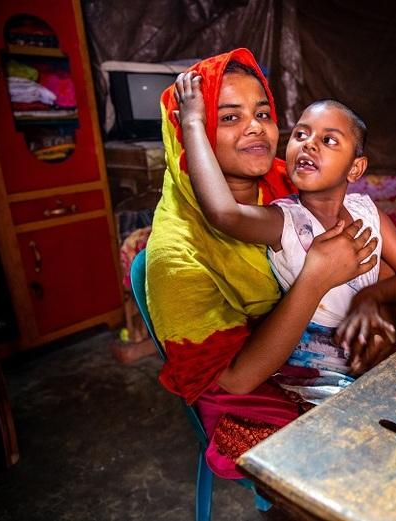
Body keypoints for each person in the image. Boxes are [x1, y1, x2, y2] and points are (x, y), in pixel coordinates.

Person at [146, 49, 380, 479]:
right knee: (347, 457)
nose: (255, 127)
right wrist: (315, 279)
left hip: (314, 348)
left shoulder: (281, 178)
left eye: (262, 113)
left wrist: (371, 302)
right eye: (229, 117)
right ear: (189, 134)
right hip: (248, 384)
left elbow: (365, 254)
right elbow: (236, 380)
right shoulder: (177, 256)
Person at [173, 69, 396, 403]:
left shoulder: (368, 213)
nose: (309, 143)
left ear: (355, 168)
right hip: (317, 370)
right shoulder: (283, 220)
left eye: (328, 140)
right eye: (301, 134)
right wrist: (192, 124)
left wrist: (371, 297)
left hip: (370, 354)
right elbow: (225, 214)